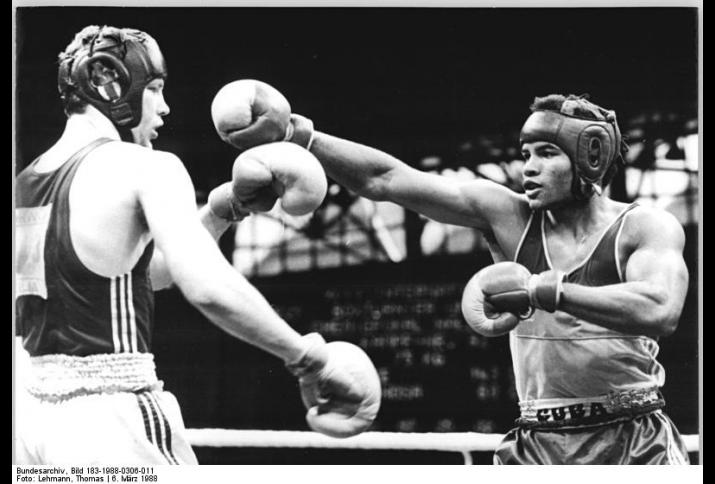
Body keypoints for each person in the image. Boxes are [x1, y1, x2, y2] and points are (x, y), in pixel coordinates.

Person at [223, 83, 691, 464]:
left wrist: (544, 290)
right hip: (538, 440)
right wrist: (301, 137)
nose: (528, 167)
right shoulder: (507, 215)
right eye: (525, 152)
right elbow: (385, 180)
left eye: (546, 153)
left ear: (590, 157)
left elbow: (660, 309)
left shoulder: (644, 227)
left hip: (633, 438)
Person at [14, 25, 380, 465]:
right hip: (111, 416)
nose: (164, 108)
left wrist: (221, 210)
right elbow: (205, 284)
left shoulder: (27, 183)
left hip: (33, 423)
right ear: (112, 84)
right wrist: (308, 357)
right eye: (154, 89)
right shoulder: (146, 166)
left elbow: (130, 276)